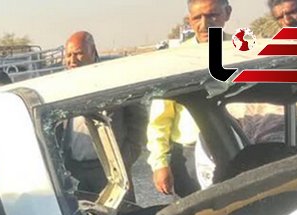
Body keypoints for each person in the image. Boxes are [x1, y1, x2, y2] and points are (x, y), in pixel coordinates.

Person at [147, 0, 232, 196]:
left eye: (212, 16)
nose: (204, 24)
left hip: (236, 146)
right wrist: (159, 164)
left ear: (227, 13)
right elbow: (159, 119)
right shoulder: (177, 61)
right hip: (189, 156)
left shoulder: (243, 52)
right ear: (189, 20)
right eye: (197, 18)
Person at [59, 31, 147, 194]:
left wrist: (124, 159)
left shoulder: (114, 80)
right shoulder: (61, 87)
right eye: (69, 55)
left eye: (78, 54)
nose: (72, 60)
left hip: (111, 170)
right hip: (77, 171)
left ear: (93, 52)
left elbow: (139, 119)